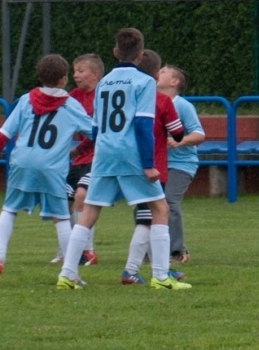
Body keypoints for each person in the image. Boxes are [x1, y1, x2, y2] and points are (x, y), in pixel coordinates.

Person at [56, 28, 189, 290]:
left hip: (104, 153)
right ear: (140, 55)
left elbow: (95, 127)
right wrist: (148, 164)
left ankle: (67, 274)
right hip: (130, 154)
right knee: (160, 209)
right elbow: (142, 124)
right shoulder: (145, 82)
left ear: (115, 52)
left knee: (89, 213)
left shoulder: (104, 82)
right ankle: (161, 277)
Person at [0, 54, 94, 283]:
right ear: (64, 79)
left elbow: (4, 134)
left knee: (9, 211)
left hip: (22, 162)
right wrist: (84, 150)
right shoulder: (71, 105)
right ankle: (71, 273)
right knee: (62, 218)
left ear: (39, 76)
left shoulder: (26, 100)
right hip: (52, 168)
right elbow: (97, 133)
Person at [120, 50, 186, 285]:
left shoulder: (128, 94)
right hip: (153, 166)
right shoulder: (162, 101)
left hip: (126, 161)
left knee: (147, 217)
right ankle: (136, 270)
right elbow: (178, 132)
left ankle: (158, 269)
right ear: (156, 74)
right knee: (153, 217)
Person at [53, 53, 104, 268]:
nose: (76, 75)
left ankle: (87, 251)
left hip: (97, 157)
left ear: (95, 74)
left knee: (82, 196)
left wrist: (79, 149)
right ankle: (68, 249)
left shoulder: (103, 95)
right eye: (74, 71)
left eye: (81, 71)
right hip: (77, 159)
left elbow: (100, 132)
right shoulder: (72, 97)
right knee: (62, 201)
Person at [158, 64, 206, 266]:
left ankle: (178, 250)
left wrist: (181, 141)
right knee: (147, 205)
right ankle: (150, 250)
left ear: (174, 82)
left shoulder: (183, 105)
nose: (157, 74)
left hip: (181, 163)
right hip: (158, 163)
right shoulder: (151, 102)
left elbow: (199, 134)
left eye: (163, 72)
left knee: (169, 201)